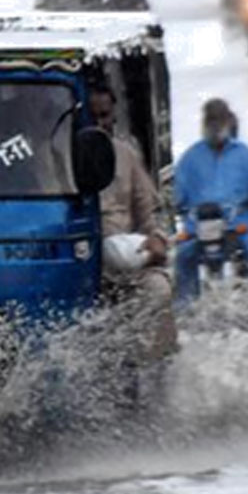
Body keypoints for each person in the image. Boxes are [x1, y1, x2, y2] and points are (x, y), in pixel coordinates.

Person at [88, 85, 177, 366]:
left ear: (114, 117)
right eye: (93, 116)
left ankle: (154, 369)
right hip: (78, 258)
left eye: (105, 115)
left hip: (125, 259)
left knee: (159, 289)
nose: (100, 123)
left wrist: (157, 240)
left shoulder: (125, 155)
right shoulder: (55, 155)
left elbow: (150, 213)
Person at [173, 98, 248, 304]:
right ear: (204, 124)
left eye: (220, 121)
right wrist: (175, 205)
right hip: (199, 226)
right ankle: (185, 307)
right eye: (211, 121)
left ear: (228, 122)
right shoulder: (190, 158)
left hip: (239, 223)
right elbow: (177, 194)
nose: (216, 126)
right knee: (183, 255)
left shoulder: (245, 155)